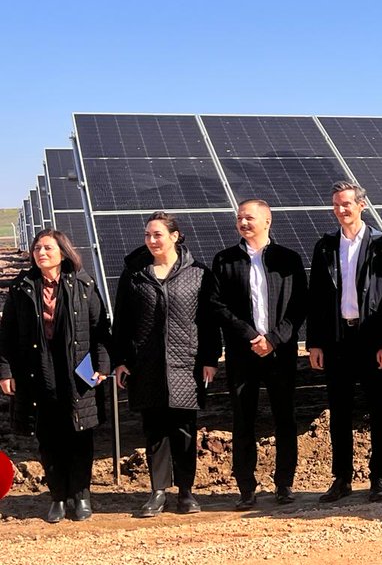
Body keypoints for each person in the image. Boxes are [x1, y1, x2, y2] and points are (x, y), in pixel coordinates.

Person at [112, 213, 220, 517]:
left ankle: (186, 492)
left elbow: (209, 323)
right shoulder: (134, 274)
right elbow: (122, 321)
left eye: (157, 234)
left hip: (186, 362)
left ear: (175, 236)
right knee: (155, 430)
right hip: (146, 364)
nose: (151, 240)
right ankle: (158, 492)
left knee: (185, 429)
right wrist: (121, 360)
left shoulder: (198, 273)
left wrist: (210, 359)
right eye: (147, 235)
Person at [0, 230, 110, 523]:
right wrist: (6, 370)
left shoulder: (84, 284)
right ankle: (58, 497)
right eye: (37, 248)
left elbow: (100, 329)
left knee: (80, 435)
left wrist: (102, 365)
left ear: (63, 252)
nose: (41, 253)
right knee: (48, 438)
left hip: (79, 370)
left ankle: (82, 495)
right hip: (38, 372)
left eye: (48, 248)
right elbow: (6, 333)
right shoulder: (22, 287)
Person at [308, 181, 382, 503]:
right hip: (337, 341)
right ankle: (342, 478)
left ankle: (378, 477)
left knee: (378, 409)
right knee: (339, 413)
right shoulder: (325, 247)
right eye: (336, 204)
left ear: (362, 205)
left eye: (346, 203)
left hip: (372, 340)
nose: (340, 210)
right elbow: (317, 299)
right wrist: (316, 343)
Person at [210, 199, 308, 508]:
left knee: (285, 419)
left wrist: (275, 340)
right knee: (243, 420)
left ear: (267, 221)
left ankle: (284, 484)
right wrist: (250, 335)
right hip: (242, 354)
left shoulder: (288, 259)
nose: (243, 222)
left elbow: (299, 306)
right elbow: (217, 305)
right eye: (240, 218)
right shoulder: (225, 261)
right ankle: (246, 488)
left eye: (249, 218)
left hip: (280, 353)